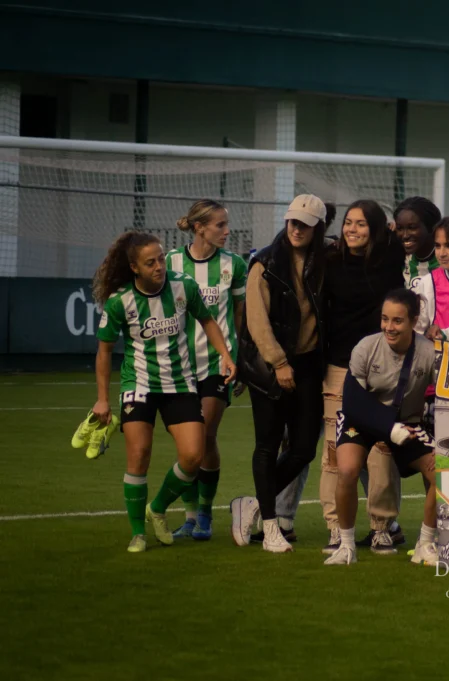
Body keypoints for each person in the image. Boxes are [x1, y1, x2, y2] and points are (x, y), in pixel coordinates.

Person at [91, 231, 236, 553]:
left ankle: (156, 508)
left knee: (193, 456)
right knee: (139, 455)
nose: (159, 266)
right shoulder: (119, 301)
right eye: (150, 262)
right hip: (139, 384)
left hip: (180, 383)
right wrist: (102, 399)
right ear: (134, 267)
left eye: (160, 259)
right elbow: (104, 351)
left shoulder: (184, 286)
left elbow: (208, 321)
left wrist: (225, 355)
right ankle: (137, 534)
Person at [232, 194, 332, 553]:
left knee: (304, 449)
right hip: (269, 365)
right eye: (292, 222)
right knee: (268, 444)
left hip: (309, 365)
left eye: (305, 224)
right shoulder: (265, 262)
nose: (296, 229)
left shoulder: (326, 259)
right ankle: (272, 528)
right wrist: (278, 363)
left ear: (318, 228)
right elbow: (256, 320)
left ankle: (253, 504)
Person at [325, 288, 438, 566]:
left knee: (444, 474)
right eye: (385, 319)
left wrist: (441, 442)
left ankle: (426, 544)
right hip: (361, 420)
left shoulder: (429, 352)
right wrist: (390, 429)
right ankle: (346, 546)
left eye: (397, 320)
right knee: (347, 470)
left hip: (407, 424)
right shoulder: (366, 347)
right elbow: (352, 402)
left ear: (414, 321)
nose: (389, 327)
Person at [321, 199, 407, 554]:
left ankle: (382, 527)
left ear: (375, 229)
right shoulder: (329, 260)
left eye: (360, 224)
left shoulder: (390, 258)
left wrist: (391, 229)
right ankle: (335, 526)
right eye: (348, 222)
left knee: (383, 449)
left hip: (384, 367)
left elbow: (405, 236)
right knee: (334, 452)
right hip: (339, 367)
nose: (351, 229)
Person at [165, 200, 247, 541]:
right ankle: (189, 517)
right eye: (220, 225)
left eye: (226, 224)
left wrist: (239, 360)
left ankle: (205, 513)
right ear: (199, 228)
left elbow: (239, 316)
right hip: (180, 367)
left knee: (205, 437)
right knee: (189, 446)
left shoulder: (234, 265)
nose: (227, 231)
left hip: (217, 364)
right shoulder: (170, 262)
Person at [394, 196, 441, 287]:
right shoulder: (399, 257)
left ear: (431, 226)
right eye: (400, 228)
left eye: (412, 228)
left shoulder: (446, 260)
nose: (405, 235)